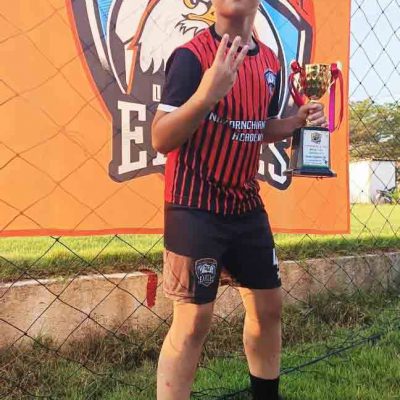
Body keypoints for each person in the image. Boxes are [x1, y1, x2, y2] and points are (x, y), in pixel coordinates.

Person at [151, 1, 327, 399]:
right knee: (193, 321)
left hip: (245, 205)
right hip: (195, 204)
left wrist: (296, 122)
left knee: (268, 308)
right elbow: (161, 138)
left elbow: (256, 127)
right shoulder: (191, 57)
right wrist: (206, 95)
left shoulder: (268, 61)